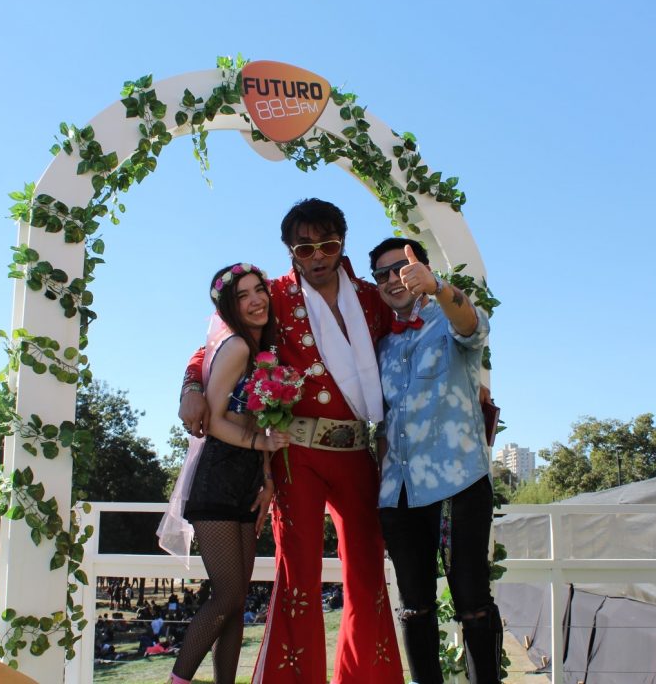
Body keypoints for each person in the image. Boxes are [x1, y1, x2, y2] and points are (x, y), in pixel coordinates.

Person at [178, 199, 402, 684]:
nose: (317, 256)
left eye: (328, 245)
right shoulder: (274, 296)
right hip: (294, 455)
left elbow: (413, 331)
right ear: (290, 251)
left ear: (343, 244)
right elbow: (214, 344)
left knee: (368, 576)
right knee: (297, 577)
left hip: (358, 453)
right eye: (305, 247)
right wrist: (191, 385)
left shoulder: (371, 299)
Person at [368, 237, 502, 683]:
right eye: (382, 274)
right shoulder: (381, 347)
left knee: (473, 603)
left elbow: (473, 326)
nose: (393, 279)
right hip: (398, 493)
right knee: (414, 608)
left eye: (402, 269)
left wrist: (439, 287)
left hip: (458, 484)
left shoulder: (448, 319)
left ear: (422, 269)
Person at [163, 262, 291, 684]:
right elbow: (214, 422)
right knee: (228, 595)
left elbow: (260, 421)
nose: (256, 301)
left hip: (248, 481)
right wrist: (260, 445)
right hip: (218, 477)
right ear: (228, 309)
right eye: (242, 296)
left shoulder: (264, 351)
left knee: (236, 603)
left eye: (259, 290)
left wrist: (267, 478)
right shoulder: (235, 346)